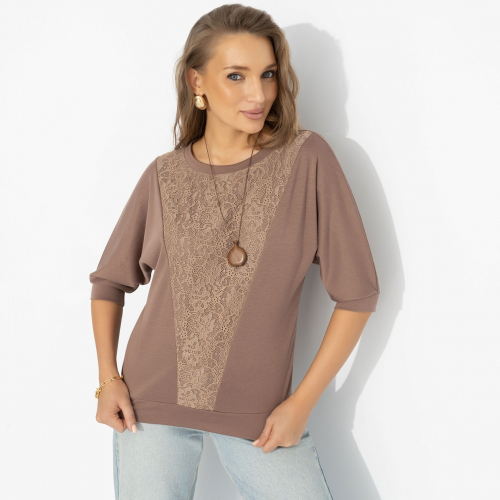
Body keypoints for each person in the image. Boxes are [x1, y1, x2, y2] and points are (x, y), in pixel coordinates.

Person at [89, 4, 380, 499]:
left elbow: (357, 295)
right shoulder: (165, 175)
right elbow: (109, 282)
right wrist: (108, 380)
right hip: (148, 405)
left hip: (261, 417)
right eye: (236, 76)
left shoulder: (307, 159)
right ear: (196, 81)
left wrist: (301, 404)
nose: (259, 94)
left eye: (268, 74)